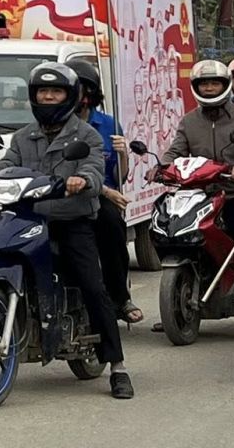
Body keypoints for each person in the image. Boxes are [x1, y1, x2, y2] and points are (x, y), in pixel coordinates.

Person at [0, 62, 133, 399]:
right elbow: (6, 167)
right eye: (43, 91)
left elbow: (94, 169)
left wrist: (82, 180)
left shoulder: (86, 136)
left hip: (71, 221)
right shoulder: (23, 137)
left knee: (93, 286)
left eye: (55, 91)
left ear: (69, 96)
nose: (48, 97)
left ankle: (117, 367)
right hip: (29, 219)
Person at [157, 58, 234, 312]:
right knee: (168, 233)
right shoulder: (189, 121)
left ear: (224, 85)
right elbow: (176, 150)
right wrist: (161, 166)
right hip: (199, 195)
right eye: (203, 84)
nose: (208, 88)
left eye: (214, 83)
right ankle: (176, 302)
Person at [69, 58, 141, 325]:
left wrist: (123, 155)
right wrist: (106, 191)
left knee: (112, 225)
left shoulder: (109, 125)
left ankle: (120, 297)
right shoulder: (57, 124)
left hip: (98, 200)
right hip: (65, 196)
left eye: (78, 88)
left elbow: (119, 176)